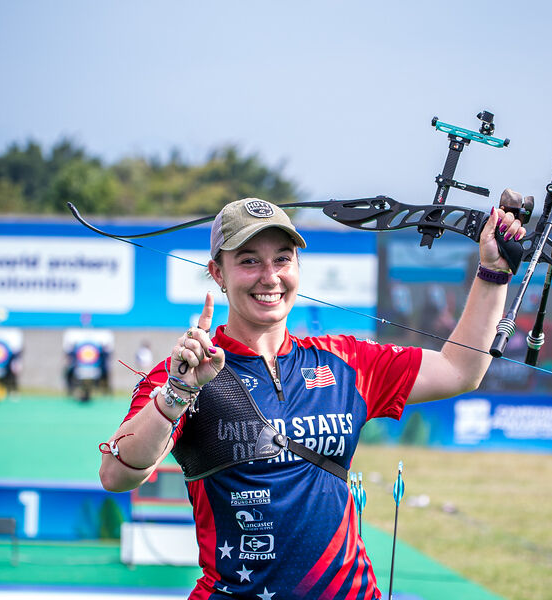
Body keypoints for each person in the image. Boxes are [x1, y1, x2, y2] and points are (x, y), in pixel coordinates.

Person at [99, 196, 526, 599]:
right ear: (218, 274)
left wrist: (493, 272)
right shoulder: (187, 370)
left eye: (282, 259)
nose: (270, 277)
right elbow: (117, 475)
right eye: (249, 262)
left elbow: (460, 370)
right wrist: (177, 392)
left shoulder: (345, 361)